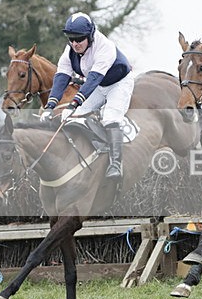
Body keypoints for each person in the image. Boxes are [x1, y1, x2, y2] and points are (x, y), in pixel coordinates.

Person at [39, 12, 135, 180]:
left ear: (90, 35)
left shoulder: (104, 46)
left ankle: (115, 164)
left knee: (110, 117)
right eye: (71, 39)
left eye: (79, 39)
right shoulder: (69, 50)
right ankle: (96, 148)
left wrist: (73, 103)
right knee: (74, 117)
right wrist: (49, 107)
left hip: (118, 83)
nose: (75, 44)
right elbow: (61, 77)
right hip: (99, 85)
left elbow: (93, 79)